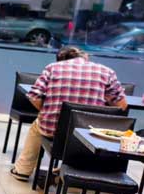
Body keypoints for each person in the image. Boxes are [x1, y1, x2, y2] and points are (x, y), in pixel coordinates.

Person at [10, 46, 127, 180]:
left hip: (54, 130)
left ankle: (22, 170)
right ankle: (68, 173)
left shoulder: (52, 68)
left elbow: (34, 96)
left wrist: (46, 110)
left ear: (60, 60)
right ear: (85, 57)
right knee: (88, 134)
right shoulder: (107, 72)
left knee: (37, 125)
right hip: (89, 135)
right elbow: (122, 106)